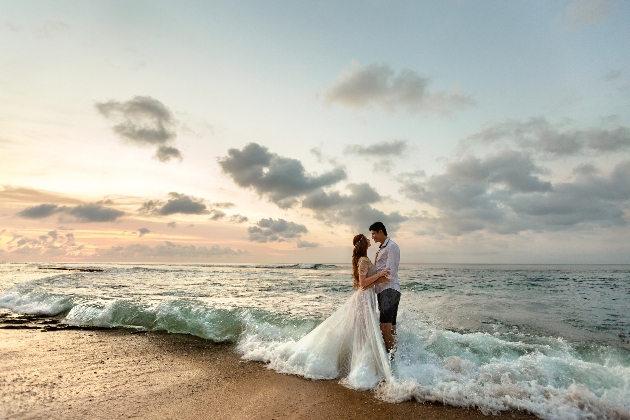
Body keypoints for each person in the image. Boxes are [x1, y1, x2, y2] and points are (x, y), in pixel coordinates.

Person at [238, 233, 393, 390]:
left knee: (362, 331)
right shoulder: (362, 260)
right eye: (367, 238)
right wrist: (380, 274)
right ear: (363, 243)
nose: (369, 239)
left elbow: (368, 280)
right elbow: (363, 283)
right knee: (364, 332)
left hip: (367, 299)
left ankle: (357, 362)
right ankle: (361, 367)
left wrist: (381, 277)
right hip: (364, 299)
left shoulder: (363, 260)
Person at [369, 221, 401, 354]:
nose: (373, 237)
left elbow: (391, 274)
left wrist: (370, 283)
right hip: (383, 291)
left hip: (389, 290)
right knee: (391, 328)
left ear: (380, 231)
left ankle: (392, 361)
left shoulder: (391, 247)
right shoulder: (382, 249)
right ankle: (396, 359)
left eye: (374, 233)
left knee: (385, 327)